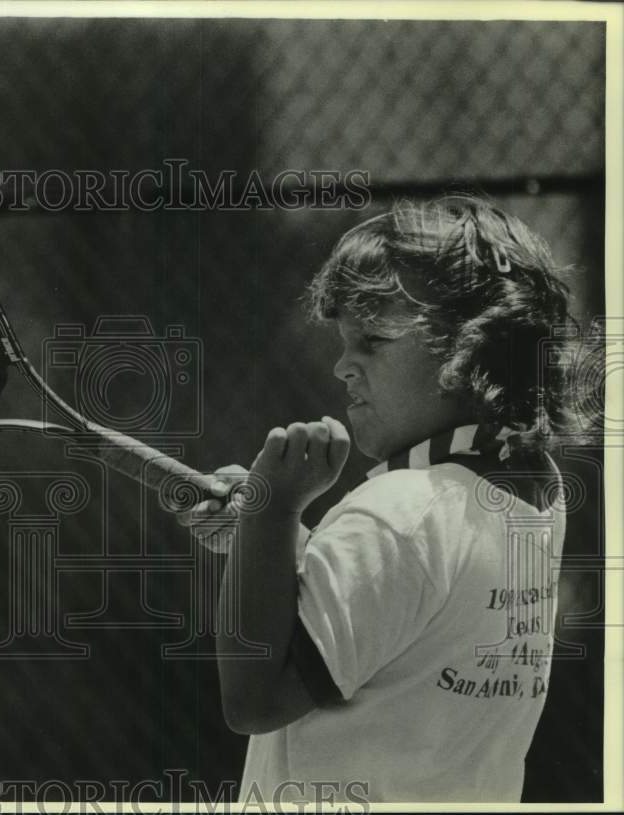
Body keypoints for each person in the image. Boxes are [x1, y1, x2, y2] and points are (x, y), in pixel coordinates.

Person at [180, 196, 576, 804]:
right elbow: (397, 608)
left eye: (372, 340)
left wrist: (271, 512)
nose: (343, 365)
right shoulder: (536, 492)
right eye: (344, 341)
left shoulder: (398, 515)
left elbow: (255, 699)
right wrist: (270, 538)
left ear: (471, 348)